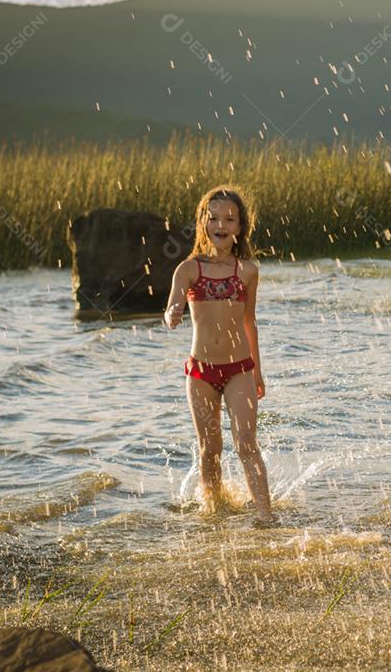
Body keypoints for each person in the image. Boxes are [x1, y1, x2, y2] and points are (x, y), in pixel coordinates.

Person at [163, 185, 274, 527]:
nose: (221, 225)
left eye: (229, 219)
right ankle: (213, 516)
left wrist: (257, 372)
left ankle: (266, 516)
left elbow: (249, 321)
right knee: (210, 449)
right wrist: (172, 315)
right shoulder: (188, 269)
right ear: (203, 224)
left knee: (246, 443)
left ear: (240, 227)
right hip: (200, 374)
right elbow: (171, 308)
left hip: (239, 370)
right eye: (213, 218)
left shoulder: (248, 271)